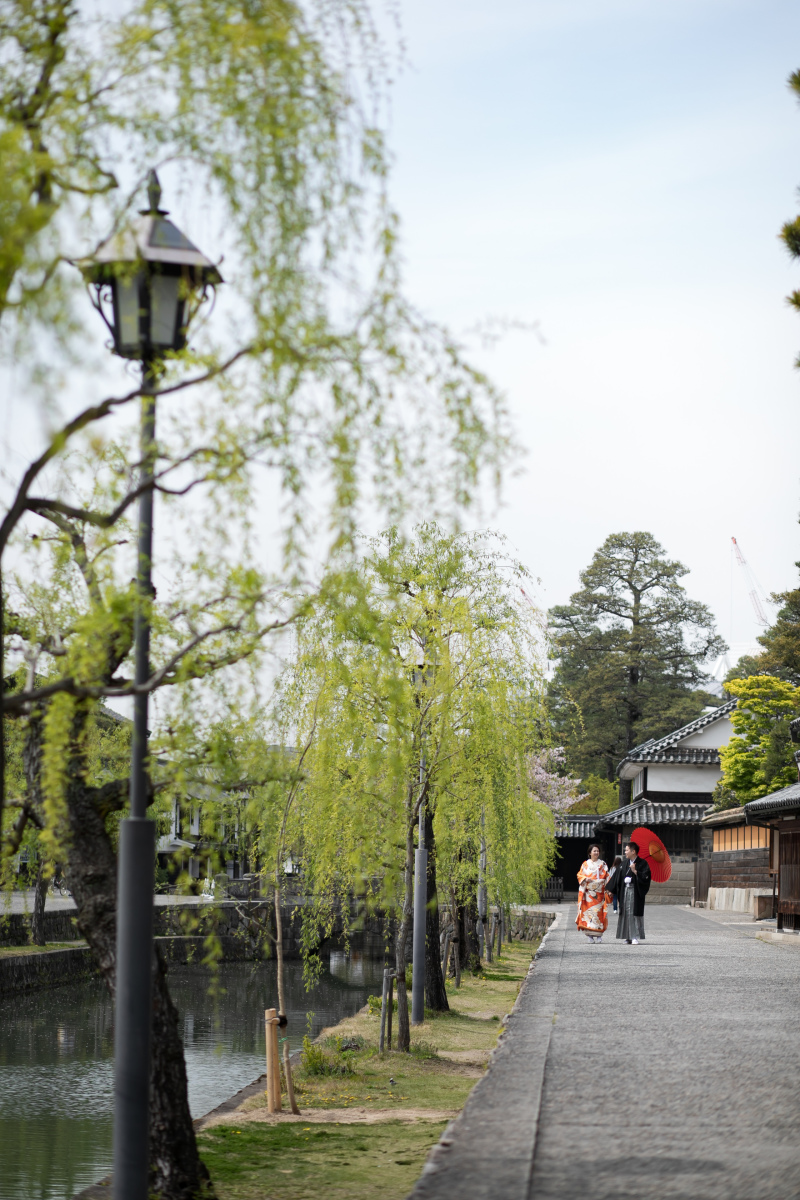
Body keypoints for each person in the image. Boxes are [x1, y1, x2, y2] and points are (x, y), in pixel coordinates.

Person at [610, 841, 651, 944]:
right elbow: (616, 877)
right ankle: (627, 936)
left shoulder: (642, 863)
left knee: (633, 913)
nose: (625, 852)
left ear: (633, 851)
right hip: (625, 891)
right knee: (625, 912)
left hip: (635, 891)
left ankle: (634, 936)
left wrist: (636, 872)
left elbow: (646, 877)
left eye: (627, 850)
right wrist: (611, 890)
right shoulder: (624, 863)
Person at [576, 843, 610, 943]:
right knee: (589, 914)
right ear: (590, 853)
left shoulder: (603, 864)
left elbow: (607, 877)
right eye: (594, 851)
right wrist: (586, 879)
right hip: (588, 894)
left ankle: (599, 936)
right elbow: (580, 875)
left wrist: (608, 888)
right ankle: (590, 936)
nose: (596, 852)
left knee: (598, 914)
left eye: (597, 851)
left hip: (599, 894)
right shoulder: (585, 864)